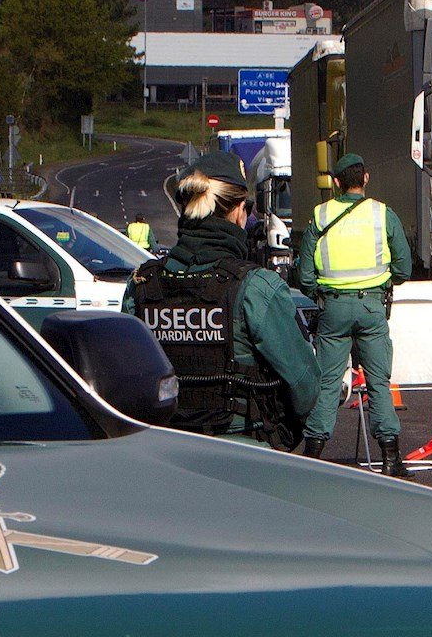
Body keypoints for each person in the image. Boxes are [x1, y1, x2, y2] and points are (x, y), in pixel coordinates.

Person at [124, 154, 317, 448]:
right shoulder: (256, 287)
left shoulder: (141, 285)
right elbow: (306, 388)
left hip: (164, 455)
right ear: (239, 211)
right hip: (245, 458)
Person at [297, 154, 412, 474]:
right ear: (365, 179)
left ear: (335, 183)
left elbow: (304, 276)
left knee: (329, 383)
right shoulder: (382, 214)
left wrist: (323, 294)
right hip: (371, 307)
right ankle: (390, 458)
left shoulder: (319, 216)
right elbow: (404, 267)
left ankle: (312, 454)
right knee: (378, 382)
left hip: (332, 308)